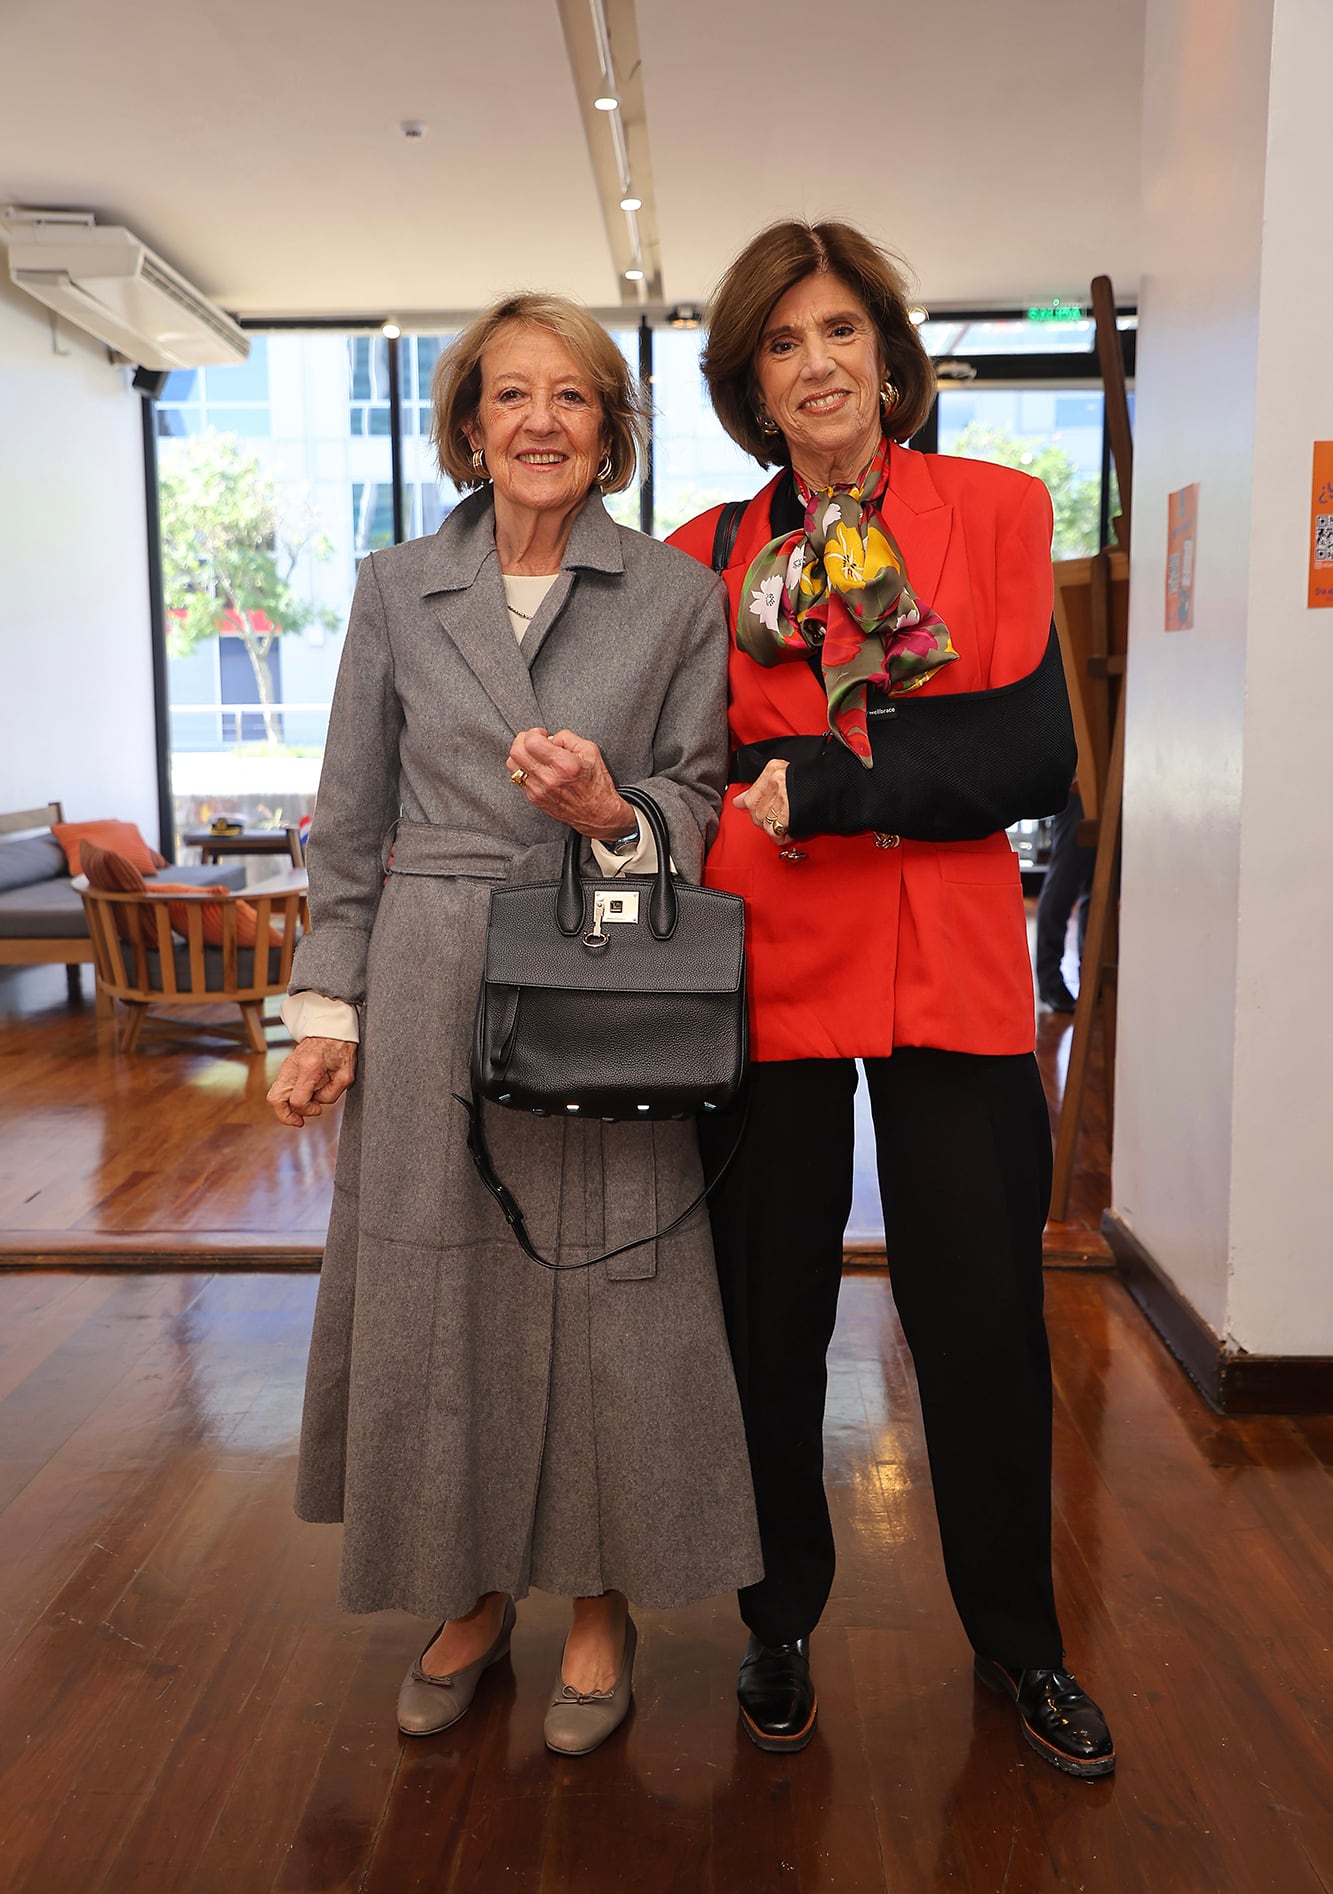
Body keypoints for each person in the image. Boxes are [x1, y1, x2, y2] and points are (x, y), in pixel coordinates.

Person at [268, 293, 761, 1758]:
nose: (540, 421)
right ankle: (468, 1594)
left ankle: (602, 1602)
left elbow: (701, 792)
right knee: (441, 1295)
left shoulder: (674, 596)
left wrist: (615, 816)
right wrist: (323, 1011)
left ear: (610, 427)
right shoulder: (396, 585)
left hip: (603, 977)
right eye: (509, 396)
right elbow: (348, 826)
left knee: (609, 1286)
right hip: (426, 976)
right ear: (467, 427)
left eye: (572, 397)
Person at [670, 222, 1115, 1779]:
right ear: (750, 379)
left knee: (981, 1322)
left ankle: (1022, 1645)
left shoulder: (993, 510)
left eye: (840, 333)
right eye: (783, 344)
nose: (817, 367)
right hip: (767, 970)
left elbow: (1028, 757)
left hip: (951, 970)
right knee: (764, 1316)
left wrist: (835, 784)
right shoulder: (703, 553)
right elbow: (700, 766)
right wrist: (799, 787)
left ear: (887, 351)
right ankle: (775, 1617)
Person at [1035, 786, 1095, 1013]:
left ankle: (1093, 978)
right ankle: (1050, 981)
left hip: (1107, 790)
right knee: (1063, 884)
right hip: (1079, 788)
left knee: (1098, 887)